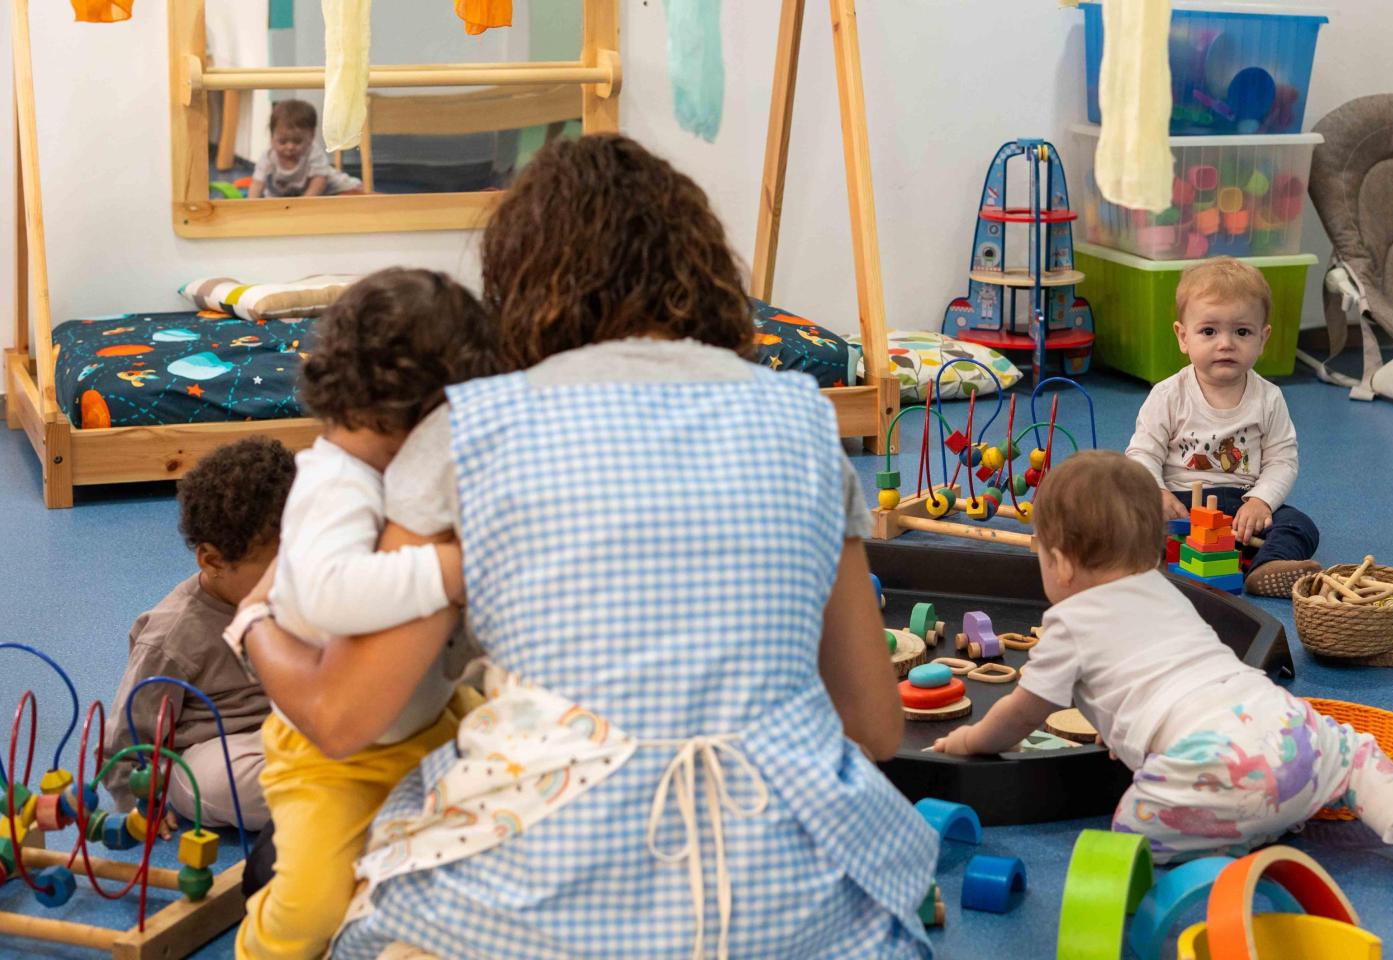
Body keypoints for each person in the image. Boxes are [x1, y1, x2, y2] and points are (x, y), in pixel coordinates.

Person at [235, 134, 938, 959]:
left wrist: (254, 624)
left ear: (521, 283)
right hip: (787, 911)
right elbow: (873, 727)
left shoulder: (467, 430)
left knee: (359, 909)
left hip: (536, 896)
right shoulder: (805, 421)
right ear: (704, 270)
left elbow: (344, 716)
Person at [933, 451, 1393, 872]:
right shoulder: (1167, 590)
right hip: (1289, 729)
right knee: (1354, 753)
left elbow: (1024, 712)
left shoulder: (1067, 622)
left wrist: (969, 742)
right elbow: (1168, 671)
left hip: (1212, 765)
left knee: (1126, 830)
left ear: (1059, 562)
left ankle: (1224, 843)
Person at [223, 268, 491, 960]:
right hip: (329, 764)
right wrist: (448, 571)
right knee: (310, 905)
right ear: (414, 409)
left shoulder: (378, 476)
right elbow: (330, 593)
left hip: (427, 721)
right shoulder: (333, 484)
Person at [103, 436, 292, 832]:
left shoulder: (299, 590)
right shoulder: (171, 636)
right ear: (213, 560)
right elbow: (129, 731)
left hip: (298, 724)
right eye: (277, 565)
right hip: (219, 747)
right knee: (217, 785)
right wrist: (137, 801)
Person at [1125, 256, 1321, 597]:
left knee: (1299, 526)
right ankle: (1151, 561)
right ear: (1183, 336)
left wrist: (1261, 501)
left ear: (1263, 338)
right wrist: (1157, 494)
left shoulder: (1269, 398)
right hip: (1180, 505)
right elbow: (1142, 453)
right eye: (1209, 331)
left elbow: (1282, 460)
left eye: (1242, 332)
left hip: (1241, 508)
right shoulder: (1169, 394)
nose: (1226, 343)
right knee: (1128, 517)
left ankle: (1267, 567)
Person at [248, 99, 364, 199]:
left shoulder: (313, 152)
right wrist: (251, 205)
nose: (290, 147)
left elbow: (319, 181)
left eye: (297, 141)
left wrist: (304, 202)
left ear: (311, 137)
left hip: (329, 187)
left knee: (355, 192)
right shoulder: (269, 157)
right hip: (288, 193)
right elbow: (257, 184)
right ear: (272, 137)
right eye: (282, 142)